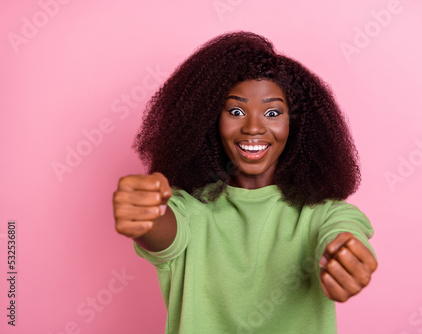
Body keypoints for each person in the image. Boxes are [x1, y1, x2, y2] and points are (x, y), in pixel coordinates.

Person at [113, 31, 377, 334]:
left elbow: (344, 230)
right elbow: (161, 230)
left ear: (297, 124)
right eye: (236, 111)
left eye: (273, 112)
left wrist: (345, 254)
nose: (253, 127)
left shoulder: (323, 213)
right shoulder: (187, 209)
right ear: (210, 119)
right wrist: (146, 215)